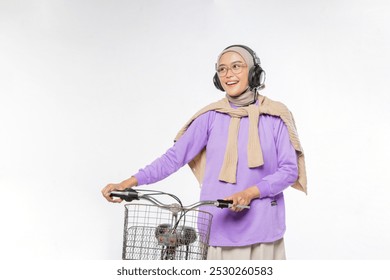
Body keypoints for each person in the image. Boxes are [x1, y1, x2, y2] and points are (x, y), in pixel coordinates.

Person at [102, 44, 307, 260]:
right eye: (222, 69)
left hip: (263, 230)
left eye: (236, 66)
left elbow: (289, 171)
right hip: (216, 226)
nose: (228, 75)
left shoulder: (275, 116)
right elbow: (173, 158)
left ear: (254, 73)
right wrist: (128, 183)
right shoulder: (209, 116)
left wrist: (249, 193)